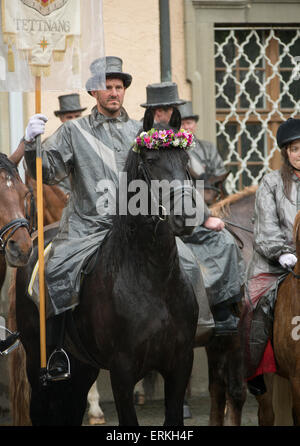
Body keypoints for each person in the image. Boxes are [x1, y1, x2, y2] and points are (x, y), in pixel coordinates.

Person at [24, 56, 141, 380]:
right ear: (94, 92)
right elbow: (44, 170)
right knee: (54, 271)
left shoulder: (140, 131)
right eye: (107, 87)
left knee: (184, 261)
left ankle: (188, 335)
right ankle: (58, 348)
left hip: (135, 227)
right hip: (86, 228)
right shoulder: (74, 130)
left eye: (119, 87)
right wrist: (33, 144)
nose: (114, 92)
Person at [140, 82, 245, 337]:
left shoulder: (179, 139)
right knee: (185, 261)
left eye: (170, 108)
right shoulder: (143, 139)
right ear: (152, 111)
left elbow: (189, 183)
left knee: (225, 241)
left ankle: (221, 308)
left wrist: (206, 216)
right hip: (152, 216)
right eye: (161, 109)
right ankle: (197, 317)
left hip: (185, 209)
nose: (166, 114)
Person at [242, 118, 300, 396]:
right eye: (295, 148)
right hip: (276, 264)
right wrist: (283, 254)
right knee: (255, 303)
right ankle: (254, 370)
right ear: (286, 153)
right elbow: (265, 228)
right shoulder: (271, 183)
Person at [178, 101, 227, 177]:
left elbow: (220, 173)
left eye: (189, 123)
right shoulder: (172, 150)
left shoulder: (208, 148)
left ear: (195, 125)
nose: (186, 127)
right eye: (182, 124)